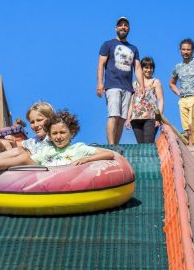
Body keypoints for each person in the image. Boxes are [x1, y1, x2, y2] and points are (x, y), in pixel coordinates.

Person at [97, 16, 144, 145]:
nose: (123, 27)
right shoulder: (108, 44)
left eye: (126, 25)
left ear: (128, 28)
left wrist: (142, 85)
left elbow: (138, 68)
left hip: (127, 86)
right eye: (121, 25)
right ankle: (111, 145)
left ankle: (116, 146)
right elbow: (101, 64)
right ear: (116, 28)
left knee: (122, 118)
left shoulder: (133, 48)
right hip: (113, 84)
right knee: (113, 115)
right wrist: (100, 83)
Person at [30, 110, 115, 167]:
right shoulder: (46, 151)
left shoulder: (78, 148)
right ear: (50, 136)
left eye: (62, 132)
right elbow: (29, 162)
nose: (58, 137)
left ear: (72, 133)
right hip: (47, 188)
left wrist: (86, 159)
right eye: (54, 133)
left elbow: (109, 154)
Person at [126, 56, 164, 143]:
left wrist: (158, 118)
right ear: (141, 68)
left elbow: (160, 100)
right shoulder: (135, 84)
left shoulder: (155, 82)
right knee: (141, 145)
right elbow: (132, 102)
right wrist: (128, 118)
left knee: (148, 143)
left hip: (150, 117)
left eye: (151, 68)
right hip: (135, 118)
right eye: (146, 67)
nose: (149, 70)